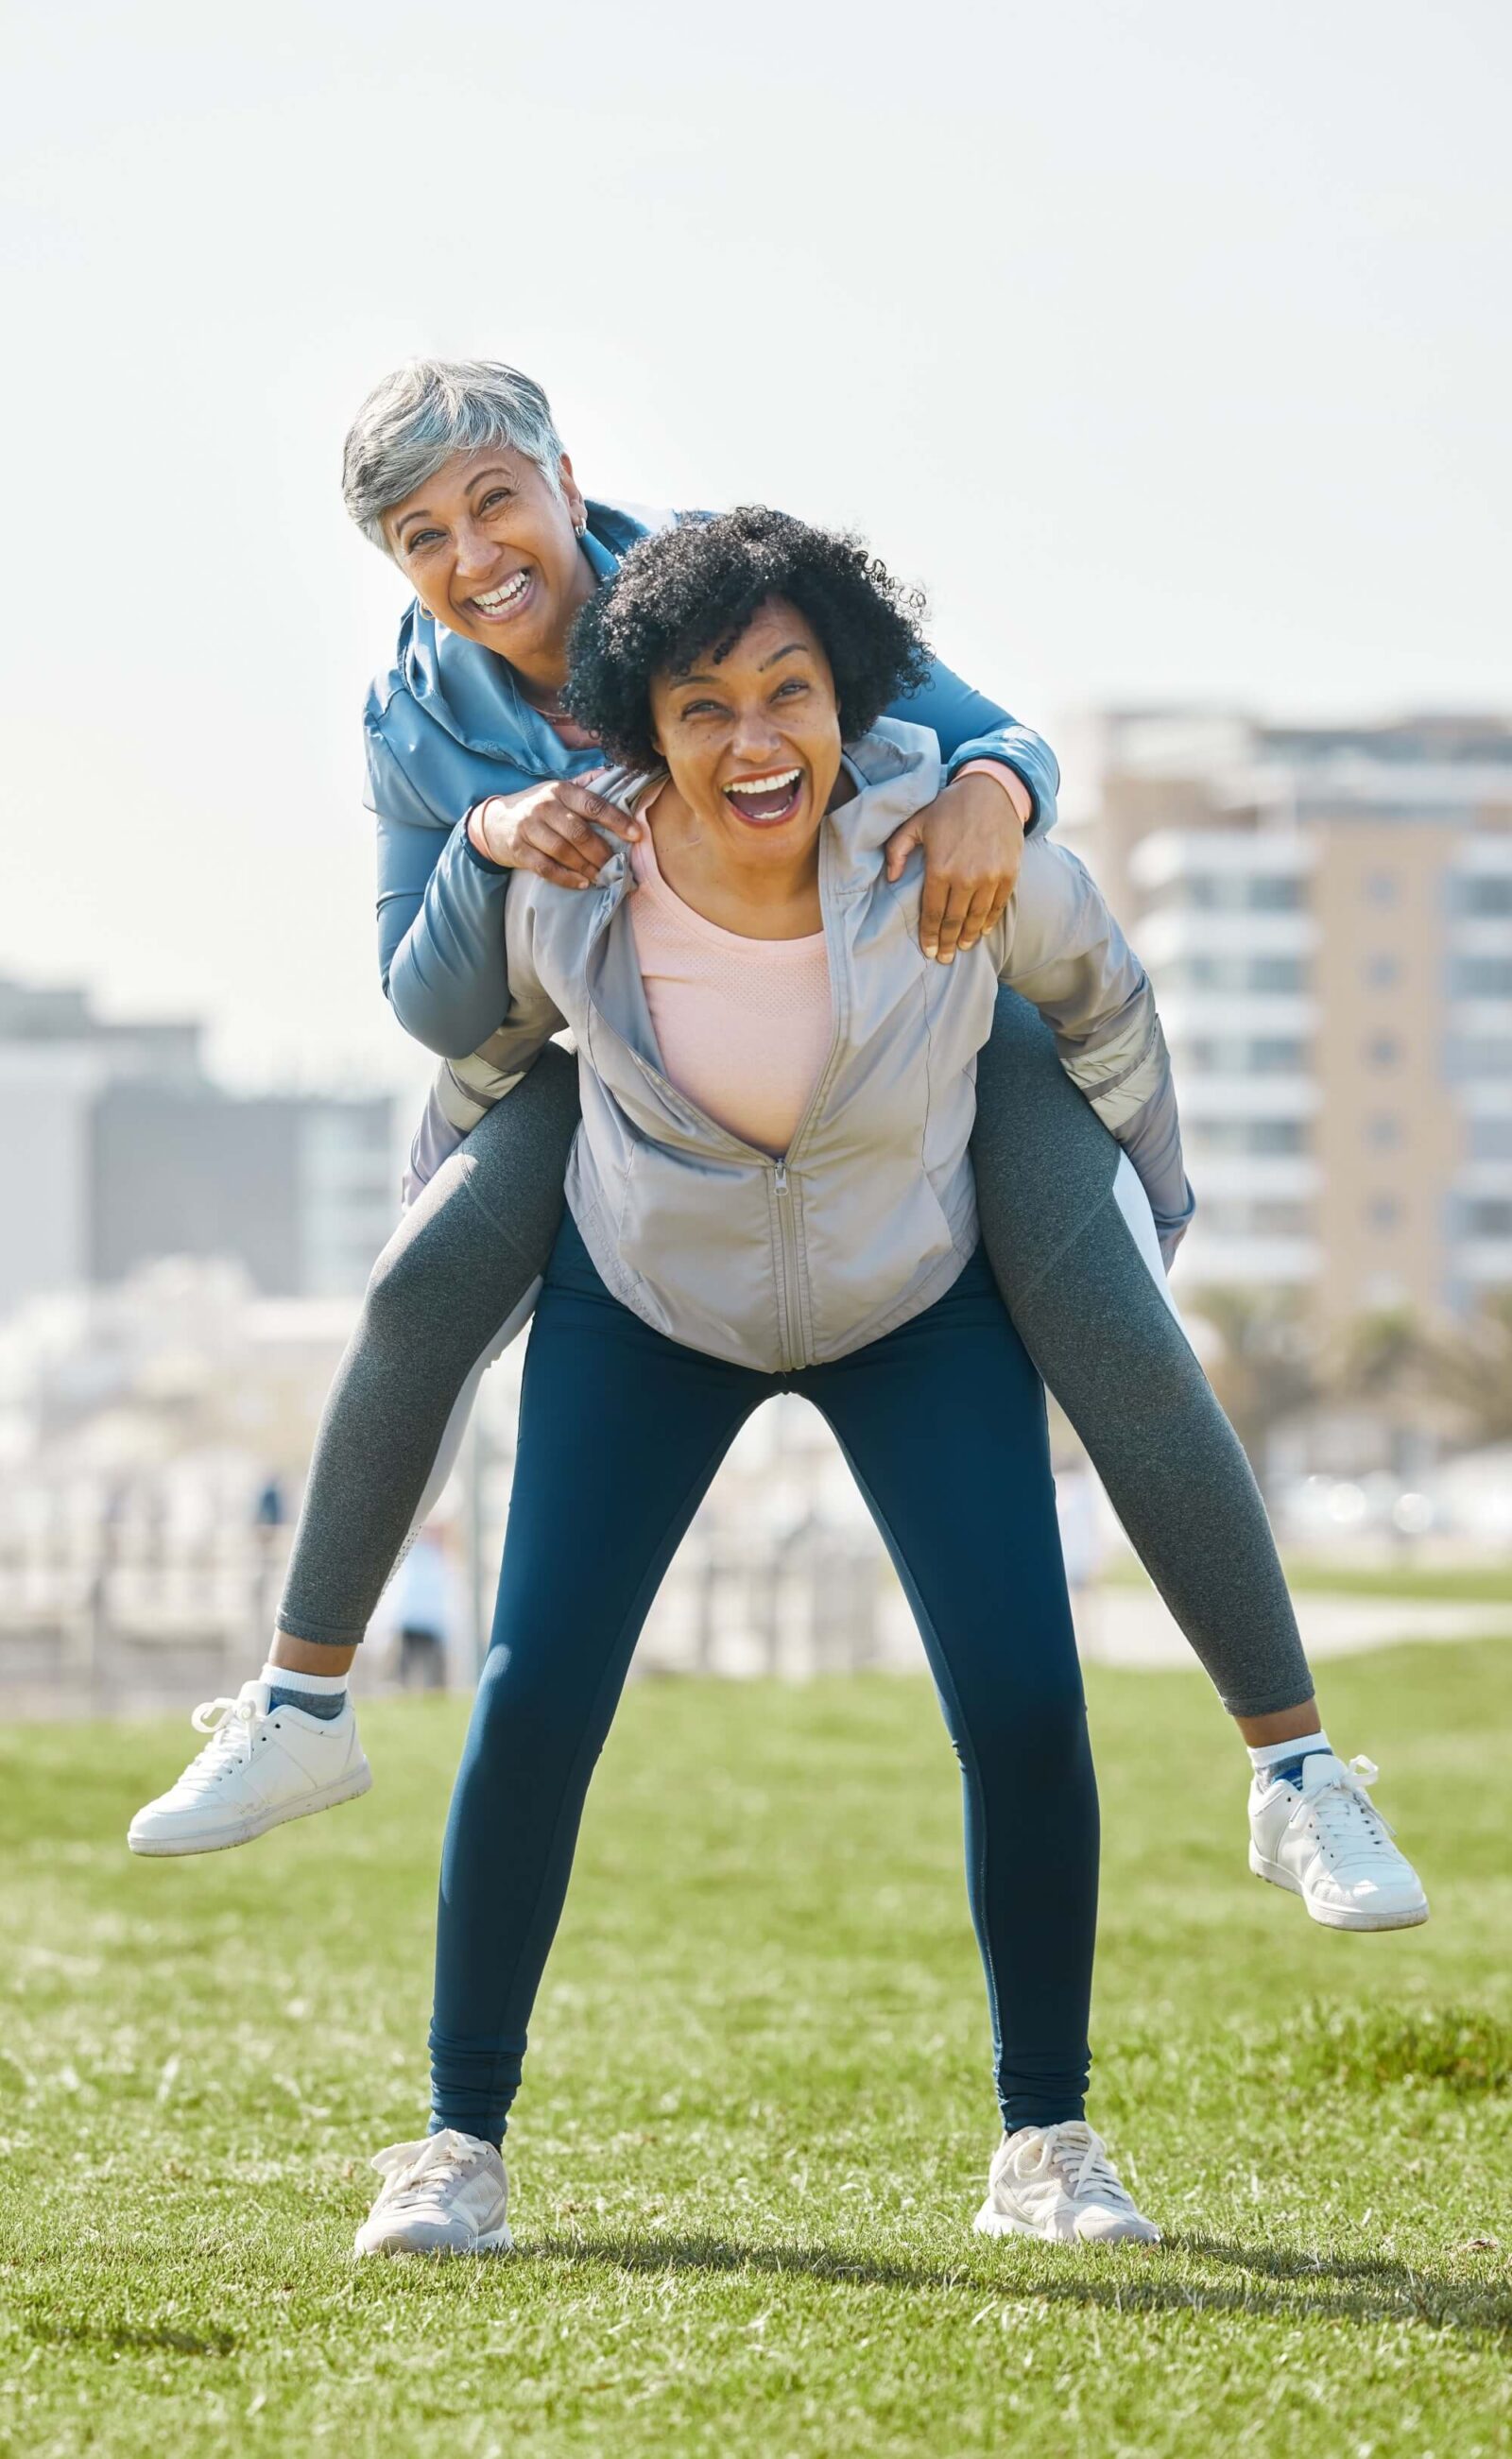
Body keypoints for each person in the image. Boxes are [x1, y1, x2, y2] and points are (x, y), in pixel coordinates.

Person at [128, 360, 1427, 1942]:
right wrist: (486, 838)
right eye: (420, 536)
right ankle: (302, 1707)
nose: (471, 554)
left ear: (560, 475)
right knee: (422, 1280)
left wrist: (997, 794)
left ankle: (1298, 1773)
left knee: (1109, 1319)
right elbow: (428, 998)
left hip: (905, 1002)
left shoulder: (729, 585)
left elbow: (995, 732)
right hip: (642, 1055)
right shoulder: (416, 714)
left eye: (491, 500)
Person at [357, 508, 1186, 2254]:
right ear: (643, 736)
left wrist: (1130, 1226)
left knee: (1028, 1698)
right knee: (532, 1696)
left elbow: (1105, 1007)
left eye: (790, 693)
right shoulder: (575, 888)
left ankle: (1047, 2138)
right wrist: (433, 1254)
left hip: (912, 1302)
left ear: (849, 702)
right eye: (703, 707)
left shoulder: (941, 853)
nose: (754, 741)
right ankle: (457, 2139)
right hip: (645, 1304)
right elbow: (476, 1070)